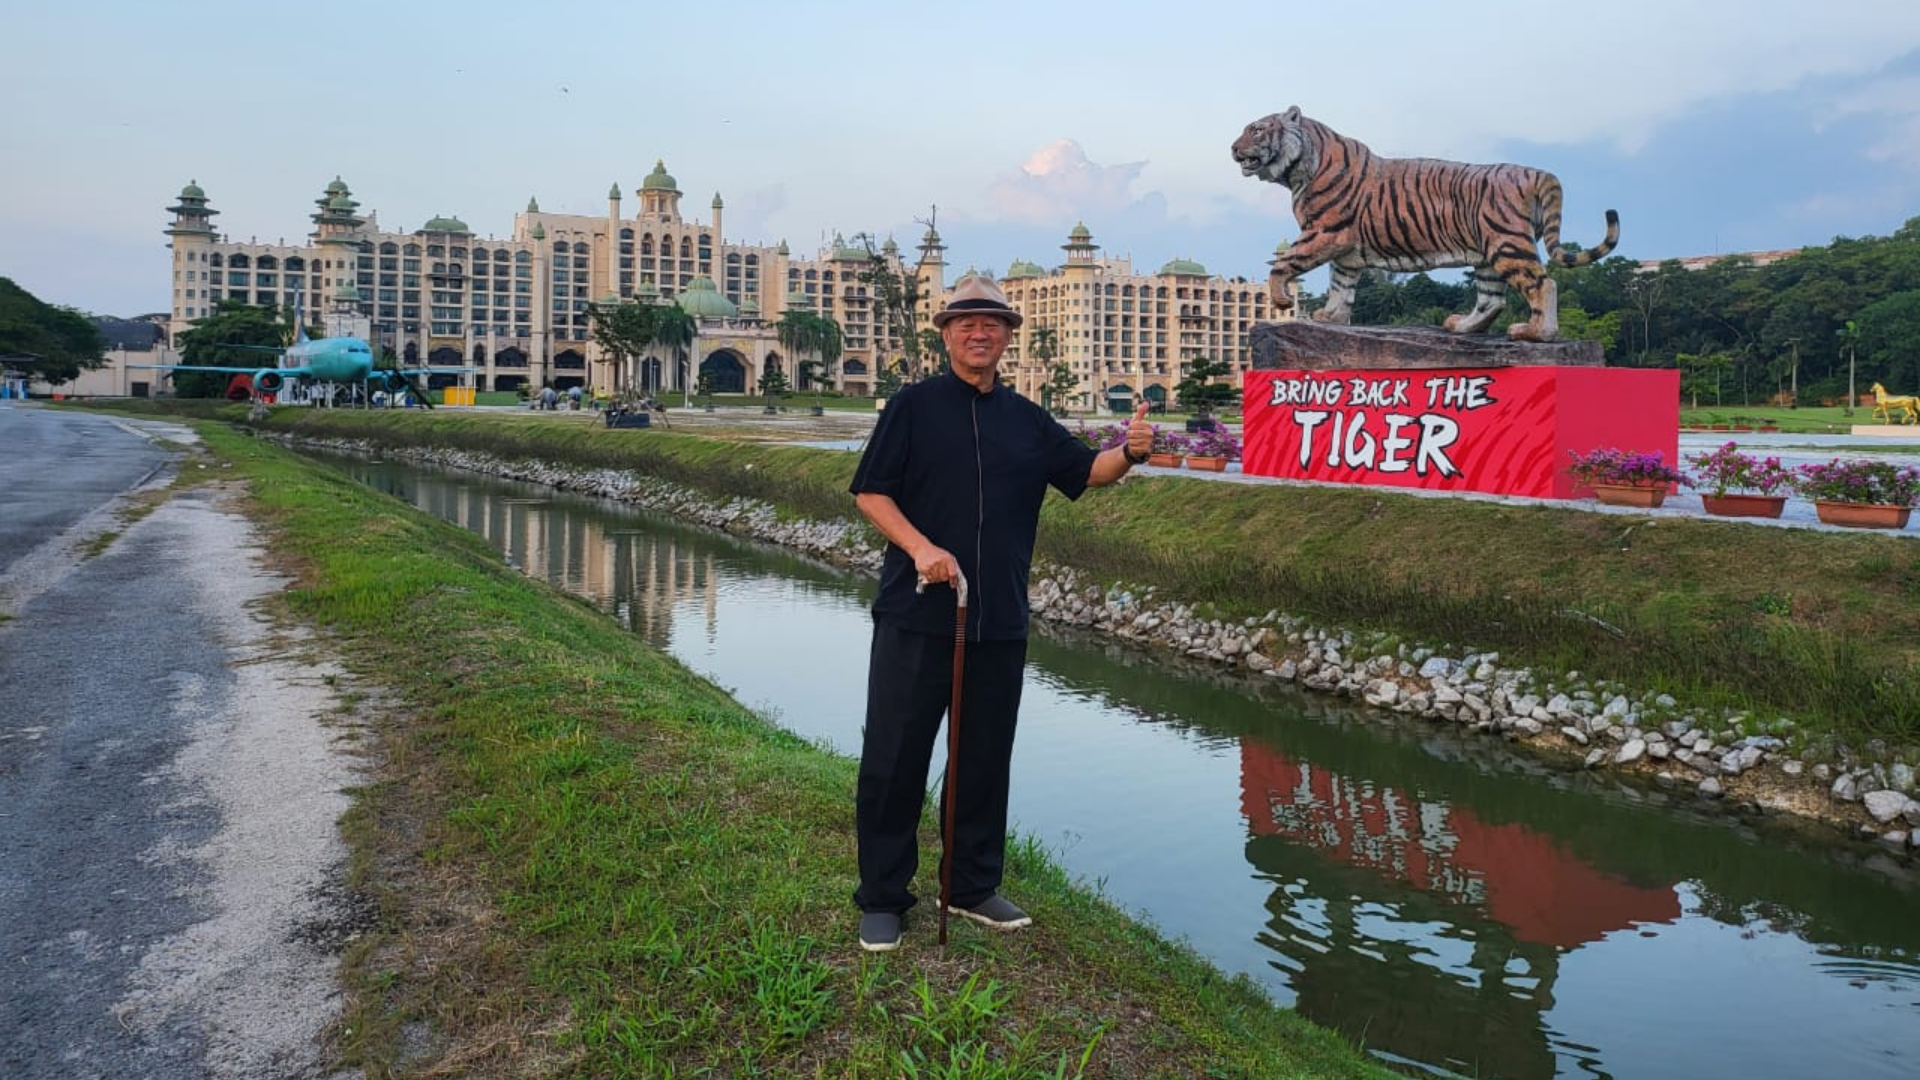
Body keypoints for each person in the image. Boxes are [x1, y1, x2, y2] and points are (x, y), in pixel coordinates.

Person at [847, 275, 1152, 952]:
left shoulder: (1027, 420)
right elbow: (871, 493)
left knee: (984, 758)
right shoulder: (912, 407)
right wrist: (923, 547)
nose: (978, 332)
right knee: (896, 758)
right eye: (965, 323)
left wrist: (1129, 452)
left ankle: (971, 885)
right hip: (918, 614)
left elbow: (1087, 474)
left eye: (991, 323)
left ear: (1009, 335)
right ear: (946, 334)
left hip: (999, 620)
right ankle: (884, 896)